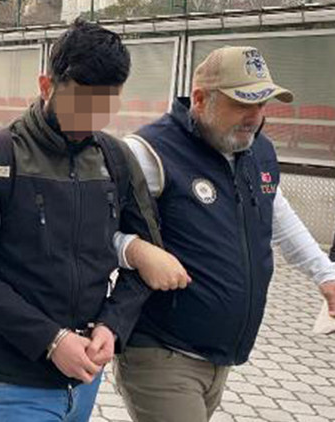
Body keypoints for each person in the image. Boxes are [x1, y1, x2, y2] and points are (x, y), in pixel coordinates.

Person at [0, 20, 188, 421]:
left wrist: (112, 325)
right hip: (15, 378)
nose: (93, 117)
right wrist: (52, 341)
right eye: (82, 102)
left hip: (85, 377)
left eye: (106, 104)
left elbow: (147, 256)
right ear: (46, 86)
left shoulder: (116, 159)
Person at [112, 46, 335, 422]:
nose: (255, 116)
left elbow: (280, 217)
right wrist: (134, 249)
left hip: (220, 359)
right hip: (162, 352)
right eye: (243, 103)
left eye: (262, 104)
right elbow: (90, 227)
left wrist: (325, 274)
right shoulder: (150, 152)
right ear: (200, 99)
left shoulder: (257, 150)